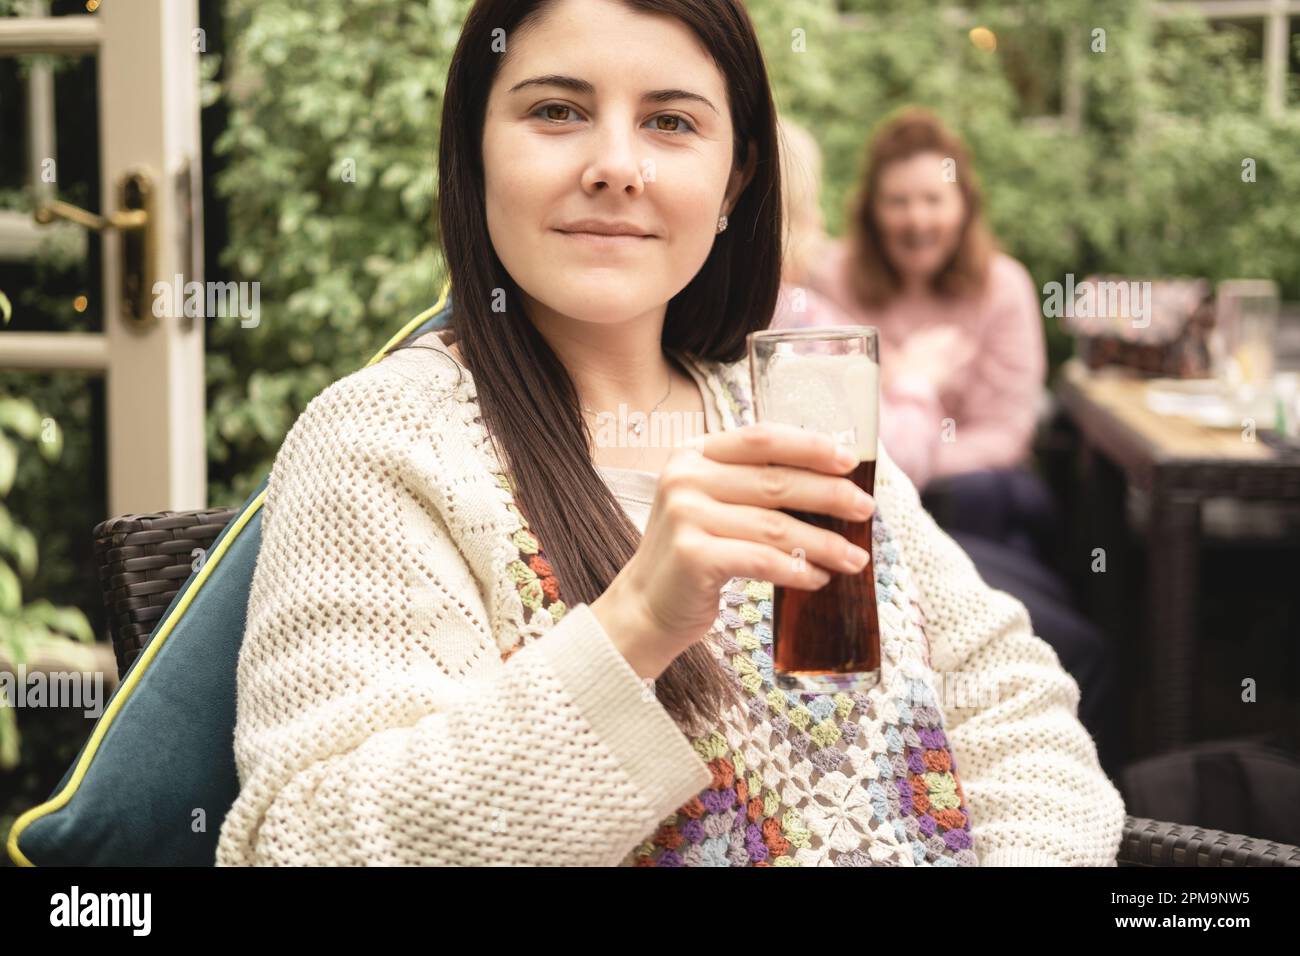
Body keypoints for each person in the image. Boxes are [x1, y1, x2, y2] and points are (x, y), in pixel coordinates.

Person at [215, 0, 1124, 867]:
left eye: (671, 123)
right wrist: (635, 626)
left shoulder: (795, 412)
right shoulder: (384, 443)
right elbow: (301, 837)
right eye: (558, 110)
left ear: (736, 179)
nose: (616, 165)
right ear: (476, 151)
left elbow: (1020, 718)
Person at [773, 108, 1122, 774]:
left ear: (963, 205)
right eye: (897, 201)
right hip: (878, 495)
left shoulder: (1004, 287)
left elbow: (1007, 432)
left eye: (933, 199)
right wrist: (914, 398)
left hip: (969, 493)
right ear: (871, 210)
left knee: (979, 491)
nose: (916, 218)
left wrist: (915, 460)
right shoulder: (831, 281)